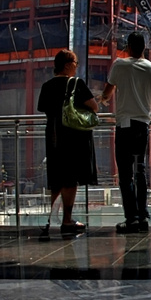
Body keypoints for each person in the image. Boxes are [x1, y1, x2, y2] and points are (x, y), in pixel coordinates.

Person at [98, 32, 151, 234]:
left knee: (125, 174)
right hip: (143, 126)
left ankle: (131, 219)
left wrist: (102, 99)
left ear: (127, 47)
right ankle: (143, 216)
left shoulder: (120, 65)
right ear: (144, 47)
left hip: (125, 125)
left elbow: (107, 92)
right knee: (140, 171)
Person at [35, 50, 98, 236]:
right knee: (70, 179)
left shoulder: (47, 85)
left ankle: (53, 218)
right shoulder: (76, 84)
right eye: (76, 63)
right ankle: (67, 220)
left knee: (56, 178)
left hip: (53, 135)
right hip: (73, 136)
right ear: (68, 65)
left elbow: (42, 108)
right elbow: (94, 106)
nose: (77, 66)